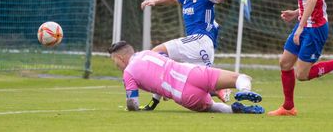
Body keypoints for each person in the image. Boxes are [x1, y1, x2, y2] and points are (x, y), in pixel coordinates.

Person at [140, 0, 231, 109]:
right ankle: (220, 92)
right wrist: (154, 1)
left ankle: (157, 98)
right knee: (197, 89)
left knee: (156, 53)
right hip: (201, 49)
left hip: (200, 40)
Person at [108, 41, 264, 114]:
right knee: (240, 77)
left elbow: (133, 103)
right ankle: (243, 89)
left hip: (183, 94)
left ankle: (234, 110)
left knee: (212, 107)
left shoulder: (128, 73)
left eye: (114, 60)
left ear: (121, 58)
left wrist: (135, 108)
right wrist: (154, 100)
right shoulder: (148, 53)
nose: (115, 64)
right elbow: (159, 72)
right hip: (191, 73)